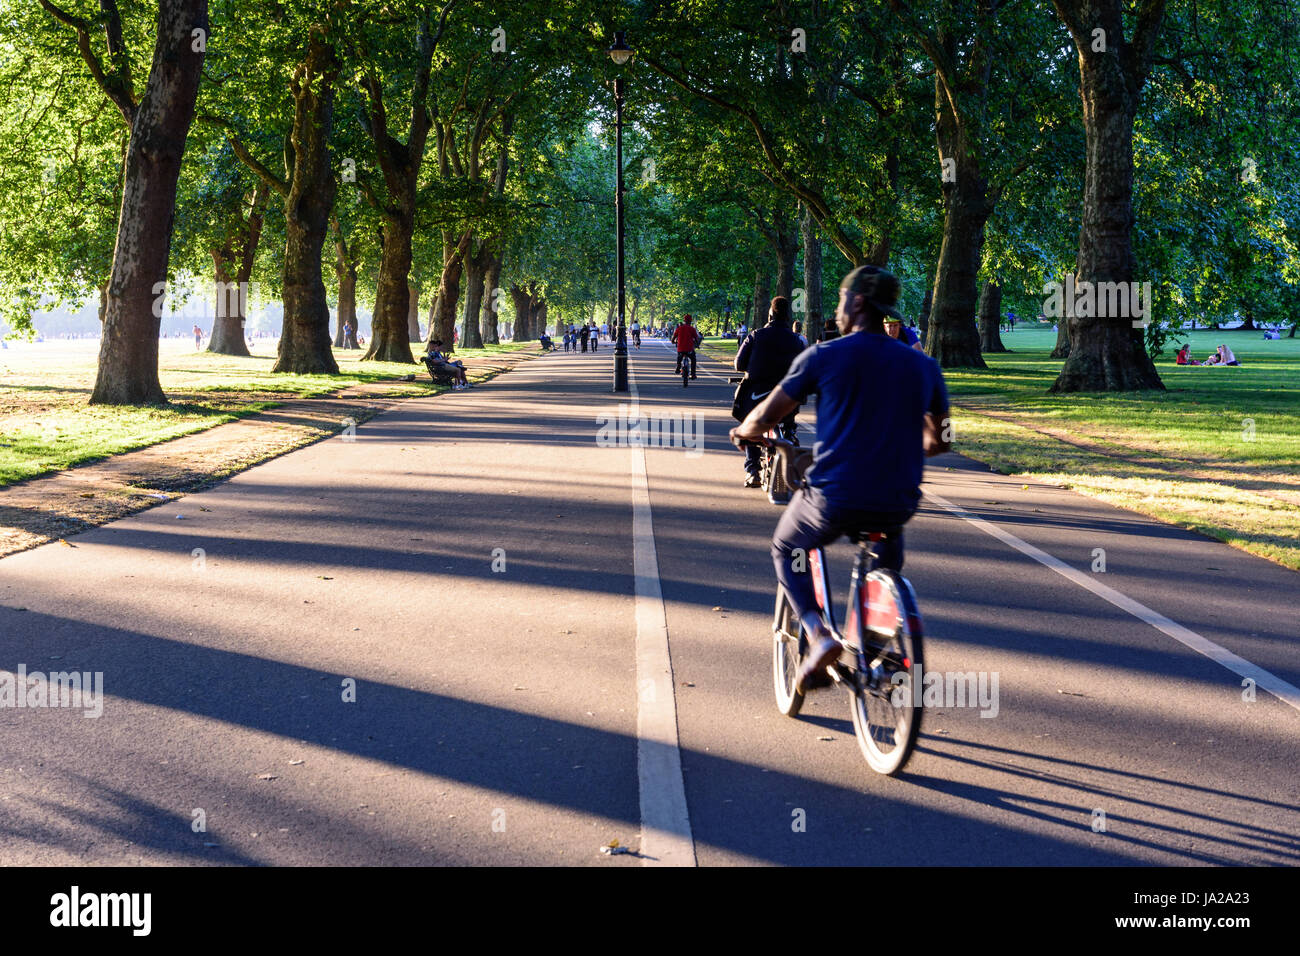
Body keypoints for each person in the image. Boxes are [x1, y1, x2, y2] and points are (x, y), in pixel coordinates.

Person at [731, 265, 950, 691]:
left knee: (787, 545)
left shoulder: (823, 356)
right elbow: (941, 439)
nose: (837, 309)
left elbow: (767, 413)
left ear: (857, 303)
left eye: (840, 299)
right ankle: (876, 651)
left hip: (834, 496)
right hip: (898, 499)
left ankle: (818, 634)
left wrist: (745, 431)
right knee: (885, 552)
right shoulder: (924, 366)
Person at [734, 296, 806, 488]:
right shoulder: (797, 340)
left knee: (752, 425)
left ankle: (753, 470)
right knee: (789, 423)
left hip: (758, 396)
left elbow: (738, 364)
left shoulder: (756, 335)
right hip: (788, 395)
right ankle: (790, 441)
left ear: (770, 314)